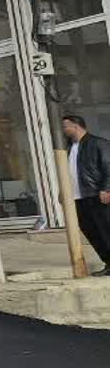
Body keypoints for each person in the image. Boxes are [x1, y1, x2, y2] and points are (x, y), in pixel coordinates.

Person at [61, 114, 110, 276]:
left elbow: (108, 167)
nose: (63, 130)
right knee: (92, 232)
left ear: (76, 126)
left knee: (105, 230)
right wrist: (63, 192)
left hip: (96, 195)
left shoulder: (98, 143)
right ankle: (108, 263)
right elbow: (67, 172)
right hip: (76, 198)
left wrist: (106, 188)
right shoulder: (68, 148)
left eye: (65, 126)